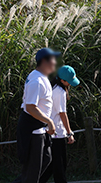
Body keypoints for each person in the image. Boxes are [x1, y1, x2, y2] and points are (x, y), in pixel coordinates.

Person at [14, 48, 61, 183]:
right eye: (53, 60)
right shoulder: (37, 81)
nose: (55, 63)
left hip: (40, 128)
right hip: (33, 130)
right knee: (32, 172)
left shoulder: (40, 77)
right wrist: (50, 121)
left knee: (46, 160)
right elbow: (30, 107)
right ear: (45, 61)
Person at [40, 66, 80, 183]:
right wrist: (69, 133)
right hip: (57, 134)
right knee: (60, 167)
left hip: (50, 132)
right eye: (69, 81)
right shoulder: (60, 92)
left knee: (51, 166)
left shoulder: (52, 87)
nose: (70, 84)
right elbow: (63, 114)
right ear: (62, 80)